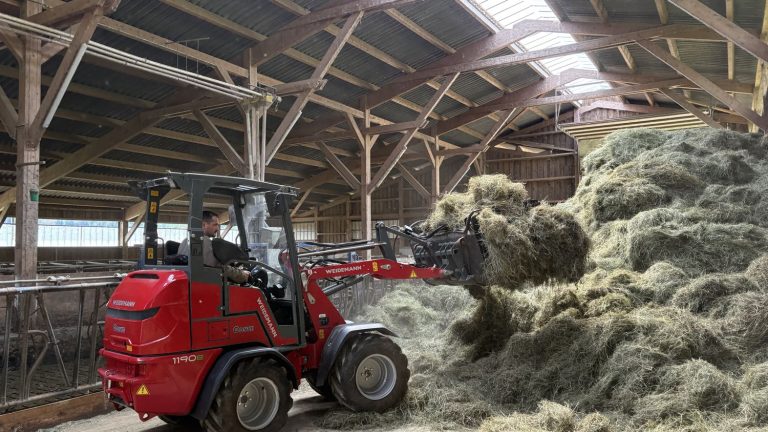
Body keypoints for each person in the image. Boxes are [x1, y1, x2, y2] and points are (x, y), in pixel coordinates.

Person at [178, 211, 251, 284]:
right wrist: (243, 275)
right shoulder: (204, 242)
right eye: (215, 225)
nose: (218, 229)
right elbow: (218, 268)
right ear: (204, 225)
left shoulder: (184, 242)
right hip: (206, 285)